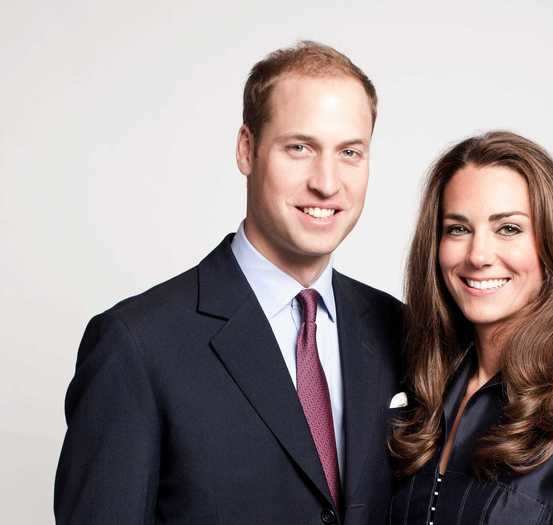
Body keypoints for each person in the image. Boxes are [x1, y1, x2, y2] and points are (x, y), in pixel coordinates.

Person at [55, 41, 402, 525]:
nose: (327, 182)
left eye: (349, 152)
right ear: (246, 149)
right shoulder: (136, 345)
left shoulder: (399, 329)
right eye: (299, 148)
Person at [388, 131, 553, 524]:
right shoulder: (421, 397)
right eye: (458, 229)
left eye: (508, 228)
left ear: (552, 245)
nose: (478, 255)